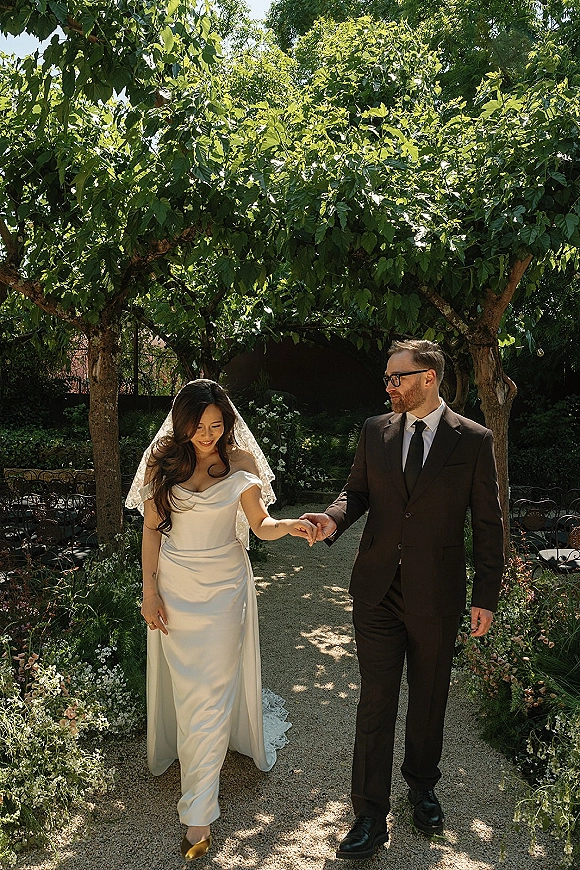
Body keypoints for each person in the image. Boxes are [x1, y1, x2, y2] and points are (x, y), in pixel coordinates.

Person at [302, 339, 504, 860]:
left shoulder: (474, 440)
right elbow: (357, 491)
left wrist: (486, 595)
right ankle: (369, 814)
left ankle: (421, 784)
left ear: (429, 378)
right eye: (387, 377)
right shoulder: (376, 431)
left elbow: (488, 524)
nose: (388, 386)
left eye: (398, 377)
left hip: (437, 593)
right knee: (375, 701)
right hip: (377, 590)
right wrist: (332, 519)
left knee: (430, 695)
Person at [126, 380, 316, 862]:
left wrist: (290, 526)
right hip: (175, 586)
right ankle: (198, 778)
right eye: (199, 426)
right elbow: (151, 533)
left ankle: (198, 813)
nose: (208, 434)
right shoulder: (162, 464)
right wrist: (149, 591)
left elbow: (260, 525)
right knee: (191, 691)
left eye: (216, 425)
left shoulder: (242, 464)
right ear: (181, 423)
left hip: (226, 588)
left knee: (211, 691)